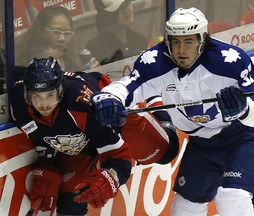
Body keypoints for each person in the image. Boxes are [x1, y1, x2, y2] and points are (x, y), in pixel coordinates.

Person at [91, 7, 254, 216]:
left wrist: (245, 109)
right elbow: (129, 86)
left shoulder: (230, 61)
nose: (181, 50)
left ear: (203, 40)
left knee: (232, 200)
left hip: (247, 137)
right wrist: (109, 98)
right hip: (203, 144)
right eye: (176, 41)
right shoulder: (156, 62)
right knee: (184, 211)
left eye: (189, 41)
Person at [10, 57, 179, 215]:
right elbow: (41, 133)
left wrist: (110, 177)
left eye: (49, 95)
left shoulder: (83, 107)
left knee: (165, 152)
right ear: (27, 94)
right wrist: (46, 162)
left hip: (110, 115)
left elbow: (119, 156)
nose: (44, 104)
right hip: (80, 142)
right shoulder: (18, 104)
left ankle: (154, 99)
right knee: (71, 203)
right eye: (37, 97)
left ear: (60, 91)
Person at [15, 6, 99, 73]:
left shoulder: (68, 60)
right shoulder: (24, 67)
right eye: (56, 32)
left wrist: (89, 72)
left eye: (67, 33)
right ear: (40, 31)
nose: (62, 38)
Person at [86, 0, 148, 65]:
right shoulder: (96, 47)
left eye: (127, 3)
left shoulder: (141, 40)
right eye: (120, 7)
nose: (126, 10)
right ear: (107, 15)